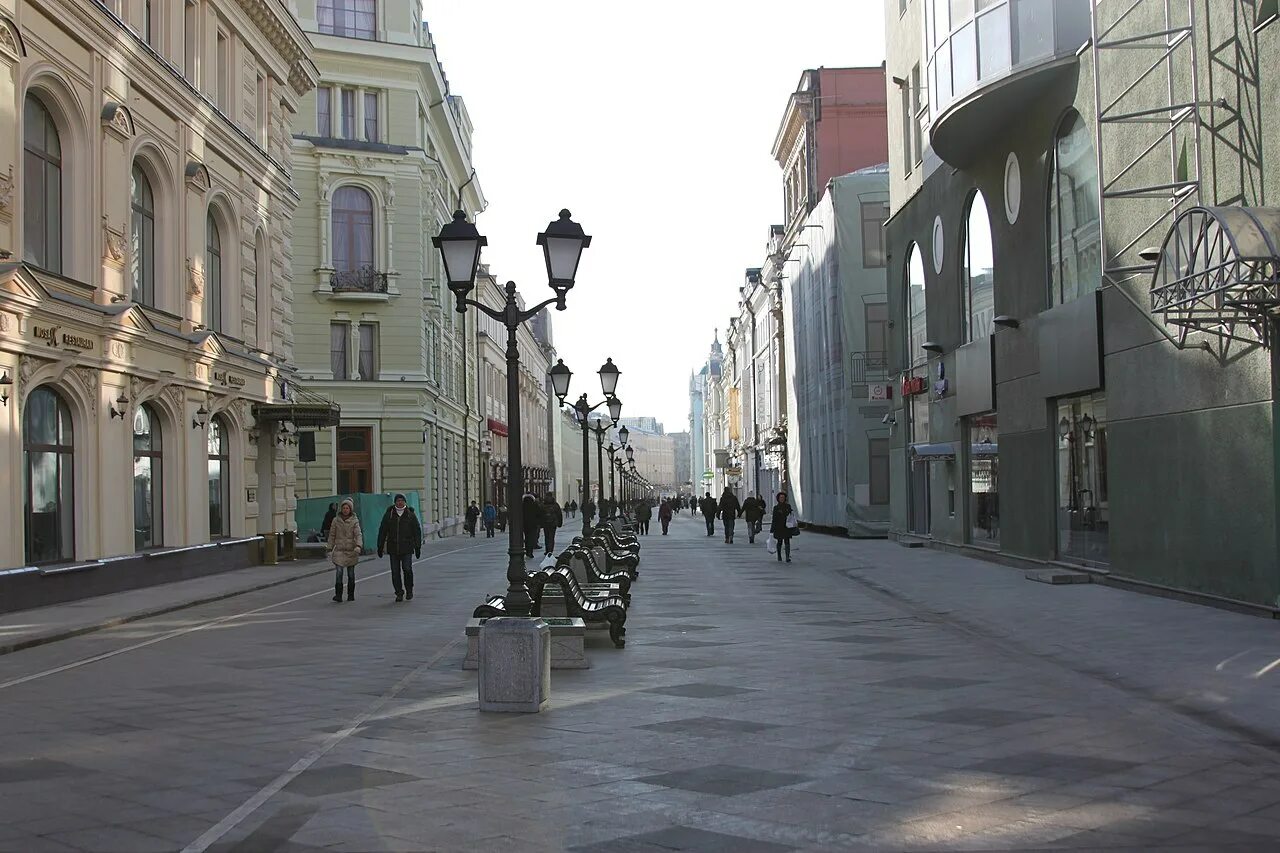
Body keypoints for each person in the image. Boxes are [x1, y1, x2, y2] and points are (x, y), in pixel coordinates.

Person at [377, 493, 422, 602]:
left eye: (402, 500)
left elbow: (417, 531)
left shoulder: (410, 515)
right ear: (395, 502)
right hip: (393, 547)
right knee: (395, 572)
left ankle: (409, 590)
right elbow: (383, 531)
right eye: (398, 500)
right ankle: (399, 592)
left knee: (407, 569)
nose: (400, 502)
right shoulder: (389, 514)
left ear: (405, 502)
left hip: (406, 547)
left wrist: (417, 547)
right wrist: (380, 546)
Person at [326, 498, 362, 603]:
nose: (345, 510)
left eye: (347, 508)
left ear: (350, 509)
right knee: (339, 572)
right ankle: (338, 595)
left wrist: (358, 546)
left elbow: (358, 534)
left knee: (351, 574)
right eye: (344, 508)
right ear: (341, 509)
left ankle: (351, 594)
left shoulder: (355, 521)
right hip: (339, 550)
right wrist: (329, 547)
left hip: (351, 550)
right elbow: (332, 535)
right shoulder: (336, 520)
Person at [770, 491, 796, 563]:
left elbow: (791, 516)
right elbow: (774, 519)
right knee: (779, 541)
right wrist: (772, 529)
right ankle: (779, 556)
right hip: (779, 527)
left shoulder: (788, 506)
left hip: (787, 527)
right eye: (780, 497)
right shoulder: (776, 508)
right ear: (778, 499)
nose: (782, 499)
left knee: (787, 541)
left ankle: (787, 557)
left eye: (783, 498)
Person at [521, 494, 544, 558]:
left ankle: (527, 549)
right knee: (531, 538)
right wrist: (539, 522)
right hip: (533, 524)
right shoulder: (534, 505)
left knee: (526, 537)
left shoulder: (522, 505)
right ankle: (530, 552)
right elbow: (539, 513)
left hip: (524, 524)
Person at [542, 492, 564, 556]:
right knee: (551, 537)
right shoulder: (555, 504)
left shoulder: (544, 504)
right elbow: (559, 514)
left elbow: (540, 514)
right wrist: (560, 523)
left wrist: (541, 523)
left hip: (545, 523)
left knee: (546, 537)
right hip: (553, 523)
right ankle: (550, 550)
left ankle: (547, 550)